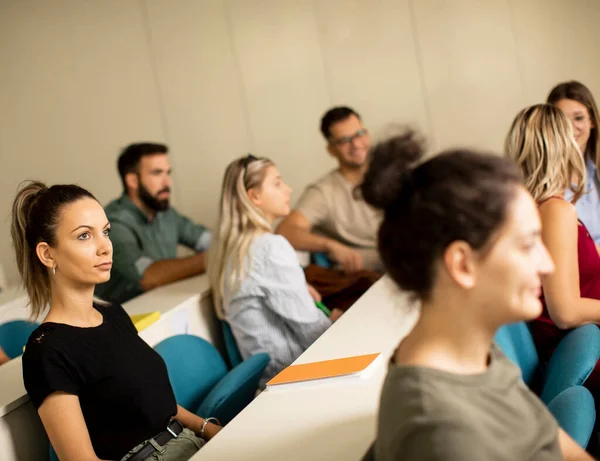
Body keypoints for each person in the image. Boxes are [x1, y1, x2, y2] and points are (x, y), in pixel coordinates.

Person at [362, 131, 591, 460]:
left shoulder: (476, 354)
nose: (547, 263)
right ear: (462, 264)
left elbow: (546, 435)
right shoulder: (444, 435)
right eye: (528, 245)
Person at [12, 181, 221, 461]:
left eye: (105, 232)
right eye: (84, 236)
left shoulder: (112, 312)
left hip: (189, 440)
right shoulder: (47, 350)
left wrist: (207, 428)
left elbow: (159, 404)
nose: (105, 247)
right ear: (47, 254)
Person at [208, 155, 342, 388]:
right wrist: (337, 324)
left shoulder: (234, 250)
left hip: (268, 378)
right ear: (254, 196)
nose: (288, 190)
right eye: (277, 183)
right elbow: (312, 331)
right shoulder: (269, 247)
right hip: (296, 375)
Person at [505, 104, 600, 389]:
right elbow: (565, 311)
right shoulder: (555, 211)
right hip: (583, 346)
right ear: (564, 147)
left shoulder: (538, 207)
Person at [95, 143, 211, 304]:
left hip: (164, 308)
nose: (167, 183)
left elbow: (209, 240)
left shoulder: (166, 213)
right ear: (133, 180)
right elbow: (149, 277)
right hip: (127, 319)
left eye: (167, 173)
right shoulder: (112, 223)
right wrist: (213, 257)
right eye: (157, 173)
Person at [277, 106, 382, 272]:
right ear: (331, 149)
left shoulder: (391, 171)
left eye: (359, 134)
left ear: (367, 134)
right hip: (372, 276)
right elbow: (286, 231)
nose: (355, 144)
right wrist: (328, 245)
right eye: (344, 140)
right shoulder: (323, 192)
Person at [548, 81, 600, 243]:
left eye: (578, 118)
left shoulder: (595, 169)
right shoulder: (546, 183)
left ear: (592, 121)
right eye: (562, 121)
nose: (570, 128)